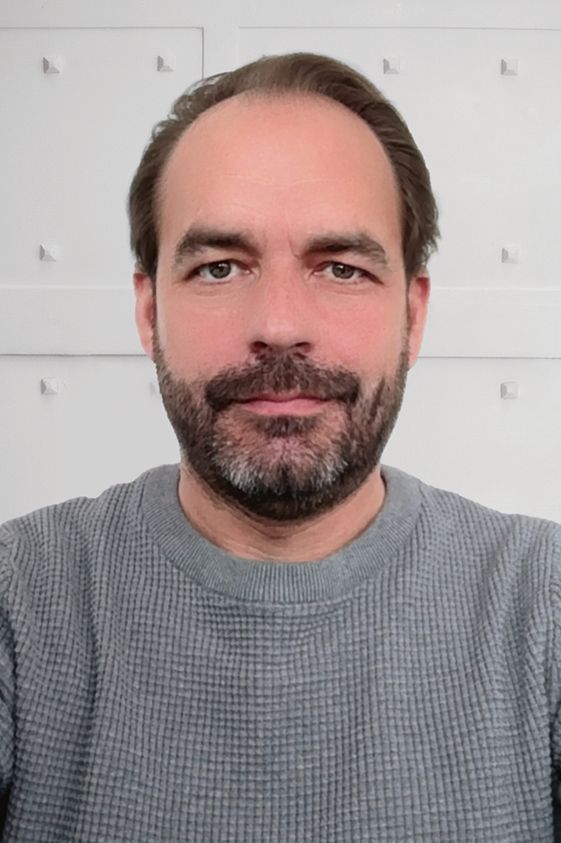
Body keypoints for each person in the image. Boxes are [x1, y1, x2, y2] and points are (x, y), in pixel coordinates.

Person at [0, 51, 559, 842]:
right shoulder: (17, 602)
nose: (280, 323)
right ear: (149, 313)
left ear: (413, 315)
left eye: (341, 268)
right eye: (220, 268)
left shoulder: (544, 604)